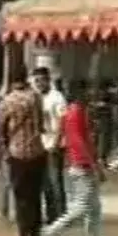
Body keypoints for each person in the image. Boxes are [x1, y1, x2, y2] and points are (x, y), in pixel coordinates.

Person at [39, 82, 106, 236]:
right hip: (82, 164)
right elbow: (79, 141)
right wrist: (94, 165)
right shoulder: (77, 113)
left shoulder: (70, 112)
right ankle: (49, 233)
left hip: (78, 163)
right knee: (82, 207)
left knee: (93, 208)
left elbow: (63, 135)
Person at [0, 80, 46, 236]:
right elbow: (41, 124)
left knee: (21, 197)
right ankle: (37, 235)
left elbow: (1, 126)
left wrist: (4, 147)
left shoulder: (8, 100)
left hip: (18, 153)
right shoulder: (36, 97)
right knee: (35, 196)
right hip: (37, 151)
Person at [37, 71, 67, 224]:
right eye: (36, 81)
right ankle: (50, 213)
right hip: (42, 144)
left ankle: (61, 213)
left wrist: (57, 141)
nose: (39, 84)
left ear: (48, 81)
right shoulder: (38, 97)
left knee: (56, 180)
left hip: (55, 144)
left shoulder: (57, 97)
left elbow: (63, 120)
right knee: (45, 183)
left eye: (41, 80)